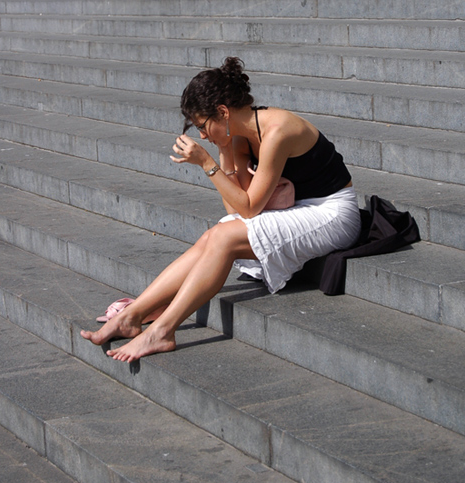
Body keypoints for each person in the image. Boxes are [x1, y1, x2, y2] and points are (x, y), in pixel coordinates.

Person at [80, 57, 361, 362]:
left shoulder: (278, 130)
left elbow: (250, 209)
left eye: (203, 126)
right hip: (297, 209)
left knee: (225, 237)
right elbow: (236, 207)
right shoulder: (239, 136)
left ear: (223, 112)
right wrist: (225, 152)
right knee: (216, 234)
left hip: (331, 214)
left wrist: (207, 164)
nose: (202, 135)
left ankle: (162, 331)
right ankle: (133, 316)